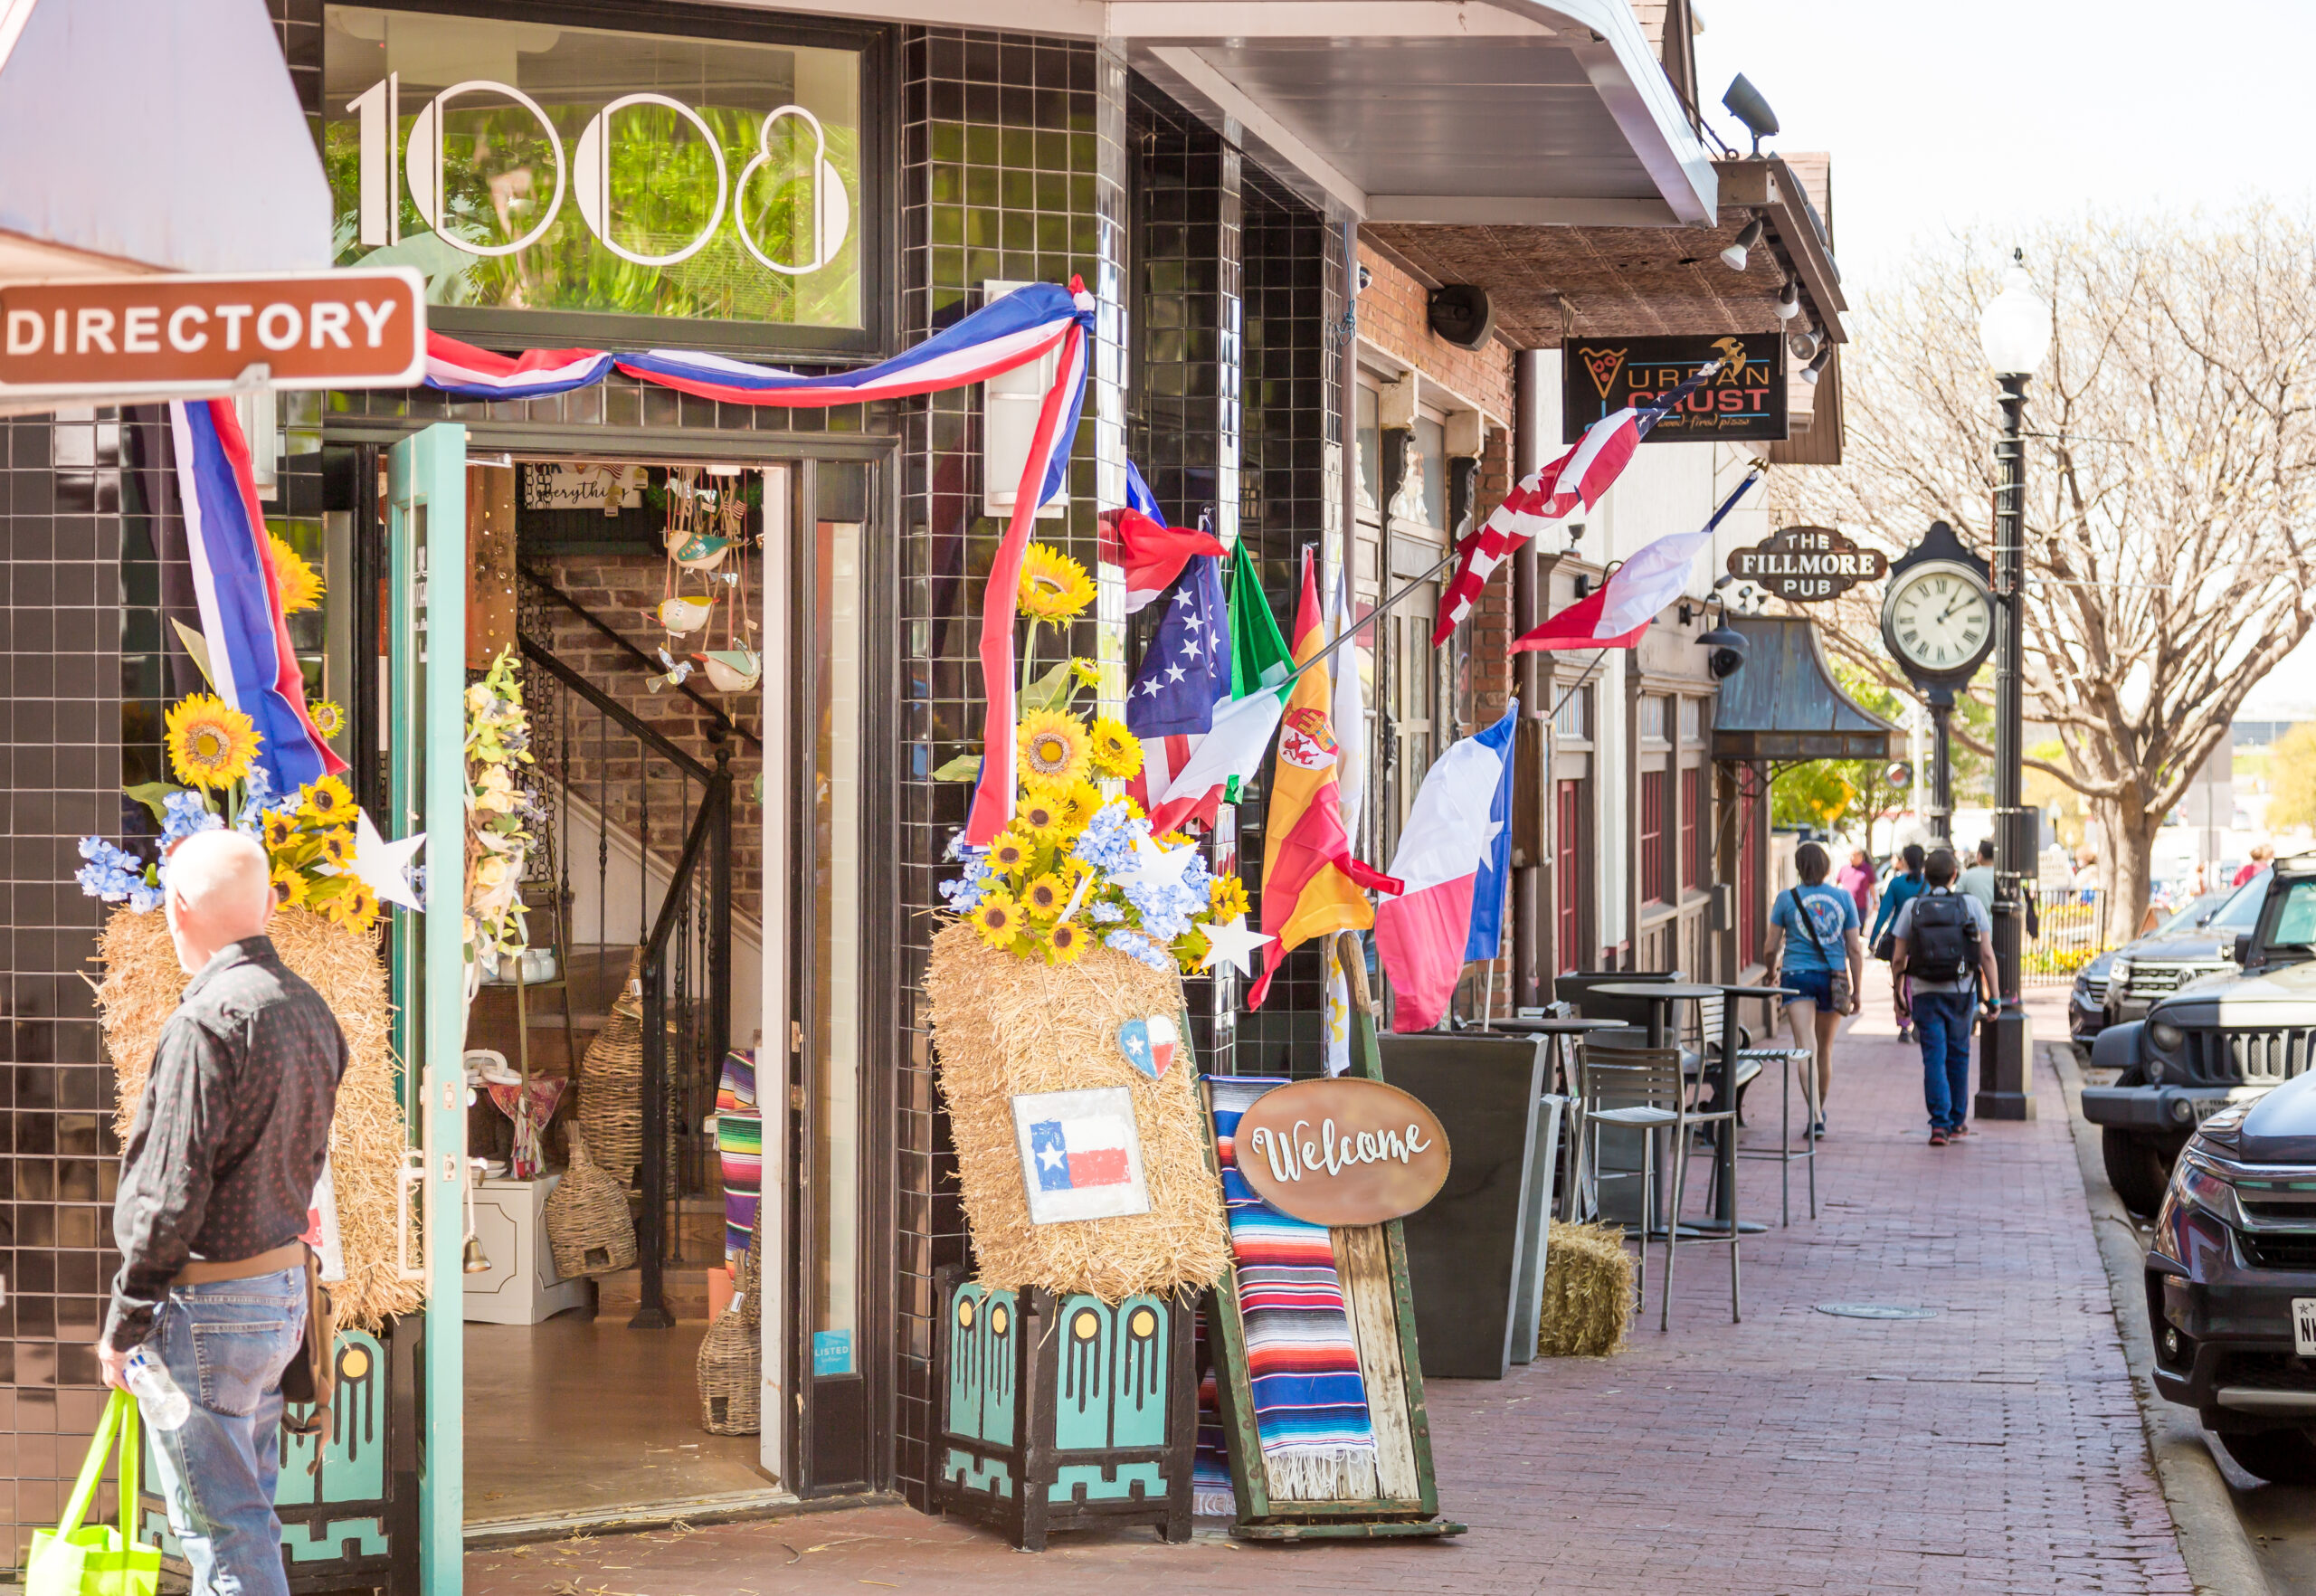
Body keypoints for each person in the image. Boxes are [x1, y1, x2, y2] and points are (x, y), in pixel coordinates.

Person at [100, 831, 346, 1596]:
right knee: (247, 1513)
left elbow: (168, 1189)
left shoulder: (206, 1020)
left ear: (176, 906)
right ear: (270, 903)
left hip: (207, 1302)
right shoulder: (310, 1009)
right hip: (279, 1297)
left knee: (222, 1532)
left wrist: (123, 1320)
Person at [1892, 847, 2000, 1146]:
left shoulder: (1913, 906)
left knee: (1933, 1058)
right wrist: (1995, 998)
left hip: (1925, 993)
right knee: (1959, 1055)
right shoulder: (1971, 906)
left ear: (1925, 876)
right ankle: (1957, 1122)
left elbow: (1898, 958)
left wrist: (1898, 994)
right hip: (1961, 992)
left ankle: (1938, 1126)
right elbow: (1987, 955)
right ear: (1955, 875)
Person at [1761, 841, 1863, 1138]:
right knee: (1825, 1051)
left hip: (1797, 977)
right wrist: (1856, 991)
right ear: (1827, 867)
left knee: (1806, 1048)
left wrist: (1771, 972)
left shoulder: (1786, 899)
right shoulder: (1843, 899)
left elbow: (1770, 947)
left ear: (1797, 867)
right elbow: (1855, 949)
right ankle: (1818, 1113)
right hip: (1834, 977)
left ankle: (1815, 1116)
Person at [1870, 843, 1928, 1042]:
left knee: (1900, 982)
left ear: (1905, 860)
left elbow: (1884, 912)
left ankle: (1904, 1025)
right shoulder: (1928, 885)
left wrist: (1873, 938)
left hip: (1899, 938)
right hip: (1923, 939)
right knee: (1918, 982)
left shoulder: (1896, 883)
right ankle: (1919, 1022)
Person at [1836, 846, 1876, 926]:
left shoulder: (1867, 869)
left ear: (1860, 856)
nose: (1850, 858)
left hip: (1860, 908)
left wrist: (1875, 902)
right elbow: (1835, 884)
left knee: (1858, 930)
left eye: (1853, 855)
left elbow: (1872, 887)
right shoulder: (1844, 868)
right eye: (1849, 855)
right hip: (1845, 907)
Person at [1959, 838, 1997, 913]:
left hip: (1974, 922)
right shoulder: (2001, 876)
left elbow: (1958, 899)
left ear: (1980, 856)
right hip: (1999, 922)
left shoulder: (1967, 876)